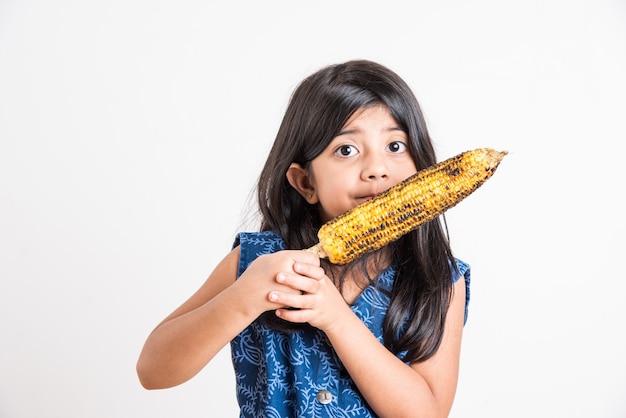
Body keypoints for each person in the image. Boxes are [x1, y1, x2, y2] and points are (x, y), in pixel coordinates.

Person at [136, 59, 471, 418]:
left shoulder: (438, 281)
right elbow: (154, 371)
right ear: (305, 183)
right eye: (347, 150)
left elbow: (426, 413)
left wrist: (337, 319)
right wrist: (243, 299)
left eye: (395, 146)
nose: (377, 168)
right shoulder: (255, 262)